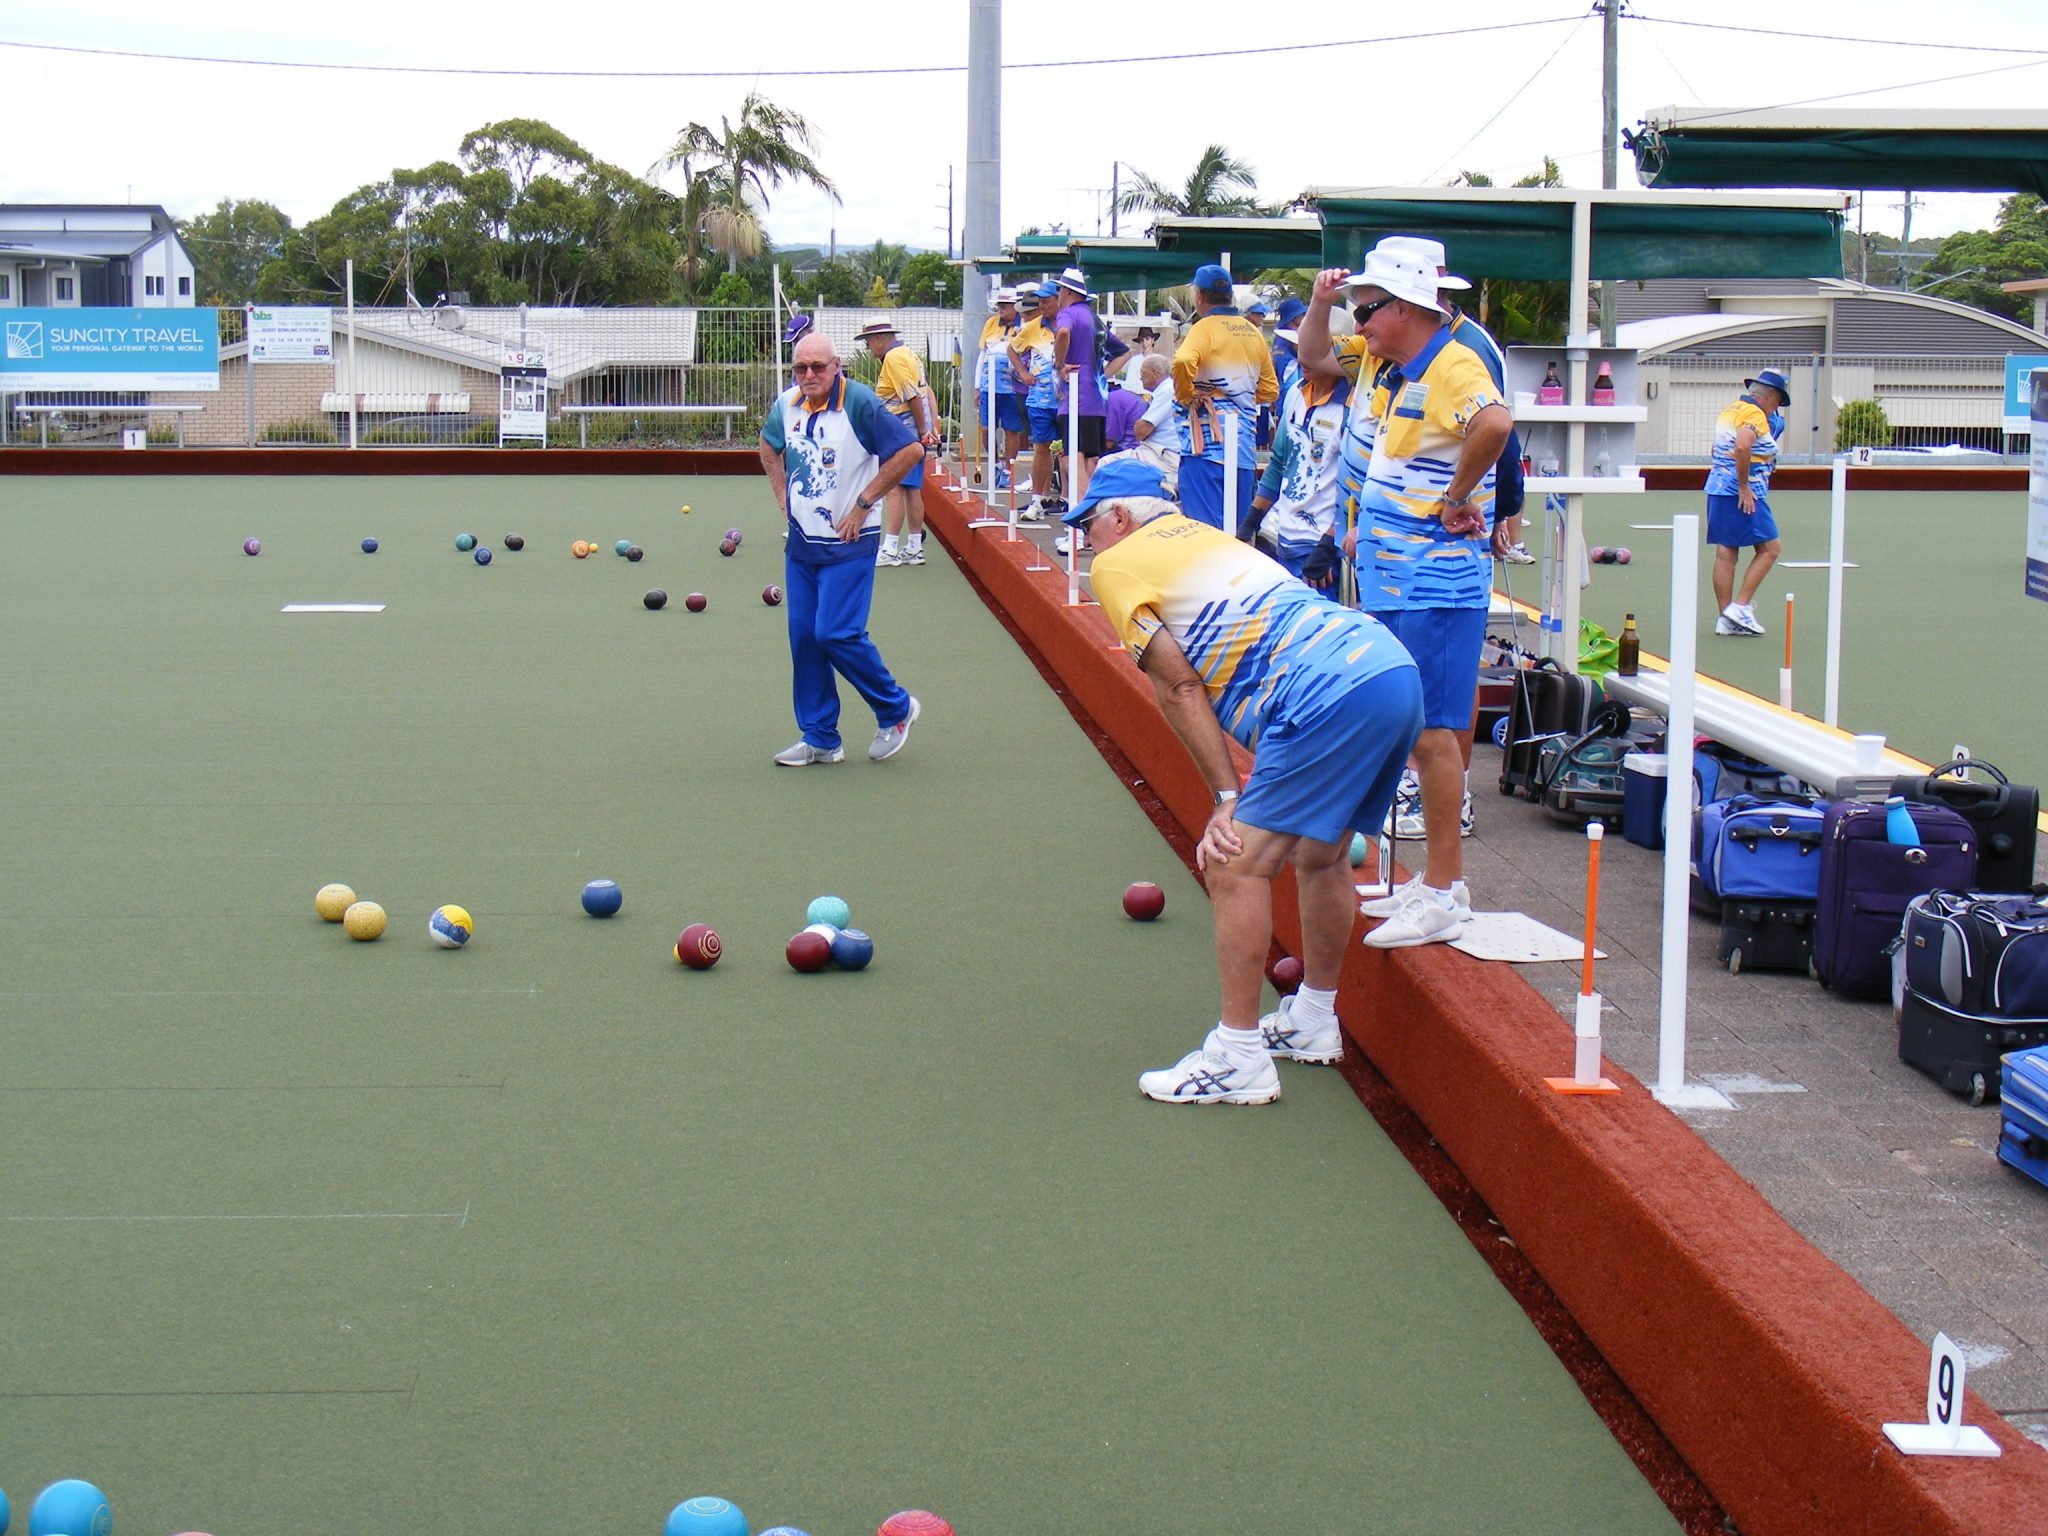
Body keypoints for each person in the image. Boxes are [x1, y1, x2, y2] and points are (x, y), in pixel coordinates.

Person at [1066, 455, 1422, 1105]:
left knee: (1233, 864)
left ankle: (1237, 1057)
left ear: (1119, 519)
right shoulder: (1209, 535)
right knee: (1321, 852)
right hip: (1388, 669)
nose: (1081, 538)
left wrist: (1227, 798)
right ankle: (1313, 1020)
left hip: (1321, 691)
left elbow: (1177, 683)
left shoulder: (1115, 564)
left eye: (1086, 523)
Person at [1295, 239, 1511, 948]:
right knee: (1418, 730)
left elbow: (1496, 424)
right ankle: (1432, 882)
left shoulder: (1453, 363)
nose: (1359, 321)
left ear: (1407, 306)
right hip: (1393, 574)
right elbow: (1313, 359)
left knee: (1433, 732)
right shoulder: (1388, 364)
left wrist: (1455, 498)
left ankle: (1446, 887)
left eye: (1367, 307)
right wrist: (1322, 304)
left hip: (1435, 581)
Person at [757, 333, 923, 766]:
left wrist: (865, 502)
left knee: (836, 633)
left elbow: (910, 450)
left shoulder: (860, 403)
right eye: (800, 368)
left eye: (817, 367)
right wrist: (781, 496)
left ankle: (895, 708)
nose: (808, 375)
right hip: (802, 544)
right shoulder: (786, 404)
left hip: (851, 540)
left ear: (836, 367)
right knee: (805, 639)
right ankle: (820, 737)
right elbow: (768, 446)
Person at [1171, 263, 1278, 530]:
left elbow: (1183, 360)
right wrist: (1239, 397)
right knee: (1236, 533)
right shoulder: (1252, 332)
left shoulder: (1204, 328)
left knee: (1204, 532)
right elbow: (1269, 390)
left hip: (1204, 448)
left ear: (1199, 296)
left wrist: (1186, 395)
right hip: (1242, 447)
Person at [1236, 363, 1351, 586]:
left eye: (1312, 352)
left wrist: (1328, 545)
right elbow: (1279, 461)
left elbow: (1356, 484)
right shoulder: (1295, 392)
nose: (1303, 359)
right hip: (1284, 540)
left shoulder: (1353, 405)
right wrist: (1250, 523)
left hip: (1319, 550)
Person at [1707, 369, 1789, 636]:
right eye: (1778, 401)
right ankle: (1740, 607)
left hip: (1718, 487)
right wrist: (1743, 486)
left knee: (1726, 550)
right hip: (1742, 491)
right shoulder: (1755, 415)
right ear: (1770, 396)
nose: (1776, 408)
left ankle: (1725, 618)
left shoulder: (1732, 409)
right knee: (1770, 547)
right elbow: (1742, 446)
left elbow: (1719, 447)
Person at [856, 319, 940, 567]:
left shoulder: (893, 358)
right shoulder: (909, 355)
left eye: (869, 342)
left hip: (902, 432)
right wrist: (931, 426)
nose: (869, 349)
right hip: (911, 431)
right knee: (911, 489)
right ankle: (914, 546)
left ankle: (890, 547)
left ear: (880, 338)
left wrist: (924, 429)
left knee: (894, 487)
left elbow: (913, 395)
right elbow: (927, 391)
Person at [1049, 267, 1107, 496]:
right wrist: (1101, 373)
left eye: (1059, 290)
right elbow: (1122, 352)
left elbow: (1063, 333)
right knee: (1090, 460)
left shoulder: (1068, 314)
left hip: (1075, 399)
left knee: (1074, 456)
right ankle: (1093, 516)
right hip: (1097, 400)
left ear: (1066, 291)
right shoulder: (1094, 319)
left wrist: (1059, 365)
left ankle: (1082, 522)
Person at [1012, 282, 1064, 520]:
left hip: (1069, 400)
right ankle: (1037, 500)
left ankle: (1066, 499)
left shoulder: (1070, 323)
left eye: (1046, 300)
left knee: (1070, 451)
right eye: (1040, 300)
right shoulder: (1032, 327)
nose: (1042, 304)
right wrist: (1023, 374)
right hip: (1040, 399)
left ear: (1059, 299)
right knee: (1041, 448)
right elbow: (1011, 350)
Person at [973, 288, 1025, 487]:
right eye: (999, 305)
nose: (1000, 308)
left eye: (1005, 305)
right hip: (989, 386)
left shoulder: (1023, 325)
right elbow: (982, 355)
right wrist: (977, 386)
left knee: (1012, 429)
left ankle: (1007, 470)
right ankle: (995, 464)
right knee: (986, 429)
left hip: (1012, 387)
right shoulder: (991, 323)